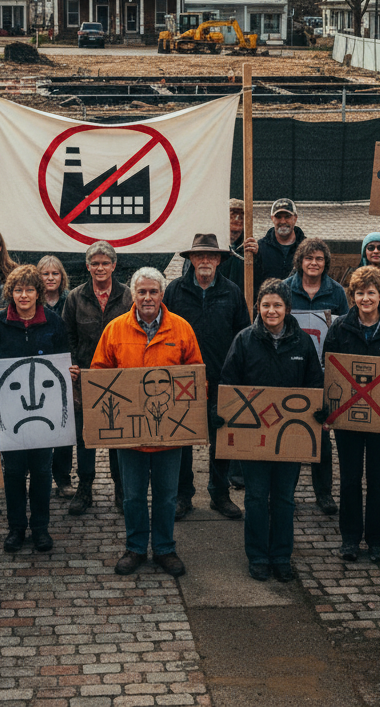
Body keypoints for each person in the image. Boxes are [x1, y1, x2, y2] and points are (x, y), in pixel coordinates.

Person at [92, 267, 203, 577]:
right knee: (133, 496)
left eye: (153, 291)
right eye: (142, 292)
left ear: (162, 294)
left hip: (170, 434)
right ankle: (136, 548)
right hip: (131, 436)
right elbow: (100, 375)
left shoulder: (181, 329)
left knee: (167, 496)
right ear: (133, 295)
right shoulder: (115, 330)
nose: (148, 297)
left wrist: (188, 409)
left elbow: (197, 376)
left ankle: (165, 549)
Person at [221, 278, 323, 581]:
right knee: (255, 496)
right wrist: (222, 413)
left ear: (287, 308)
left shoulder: (302, 342)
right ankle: (257, 556)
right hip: (254, 436)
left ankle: (281, 555)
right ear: (258, 307)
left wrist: (317, 410)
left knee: (283, 498)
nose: (271, 310)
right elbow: (229, 382)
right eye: (266, 305)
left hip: (289, 436)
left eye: (277, 305)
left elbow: (314, 382)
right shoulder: (244, 340)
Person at [323, 265, 380, 564]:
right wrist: (329, 410)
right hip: (348, 419)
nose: (365, 298)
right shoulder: (339, 329)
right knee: (349, 479)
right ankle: (349, 539)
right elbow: (330, 372)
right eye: (360, 293)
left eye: (371, 293)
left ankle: (377, 540)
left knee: (379, 481)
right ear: (352, 295)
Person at [0, 265, 70, 555]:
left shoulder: (53, 323)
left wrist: (72, 372)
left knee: (42, 470)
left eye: (30, 289)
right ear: (11, 293)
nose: (24, 295)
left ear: (38, 292)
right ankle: (16, 527)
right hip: (10, 415)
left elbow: (64, 360)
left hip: (46, 414)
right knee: (14, 472)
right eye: (18, 290)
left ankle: (40, 528)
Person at [163, 234, 250, 521]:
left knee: (221, 437)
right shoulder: (174, 291)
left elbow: (243, 333)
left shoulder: (232, 291)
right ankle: (183, 494)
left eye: (210, 256)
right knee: (182, 436)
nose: (205, 261)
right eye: (199, 255)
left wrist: (239, 372)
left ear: (219, 260)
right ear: (190, 259)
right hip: (183, 376)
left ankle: (219, 492)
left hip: (222, 374)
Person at [59, 241, 133, 512]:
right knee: (86, 436)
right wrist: (73, 367)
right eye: (95, 263)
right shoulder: (75, 298)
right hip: (85, 378)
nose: (100, 268)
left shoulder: (128, 296)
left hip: (120, 378)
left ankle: (121, 489)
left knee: (119, 436)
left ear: (114, 266)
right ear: (87, 266)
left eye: (105, 263)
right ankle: (85, 489)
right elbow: (67, 337)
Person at [286, 237, 348, 516]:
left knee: (321, 434)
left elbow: (345, 328)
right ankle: (286, 492)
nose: (314, 263)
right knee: (289, 432)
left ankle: (323, 493)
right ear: (300, 260)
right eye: (309, 258)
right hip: (291, 369)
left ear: (326, 263)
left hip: (323, 371)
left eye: (319, 259)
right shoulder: (286, 288)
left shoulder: (336, 292)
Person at [254, 199, 305, 281]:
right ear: (272, 218)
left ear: (295, 218)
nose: (283, 221)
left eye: (287, 216)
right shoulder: (260, 248)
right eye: (278, 217)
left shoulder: (307, 247)